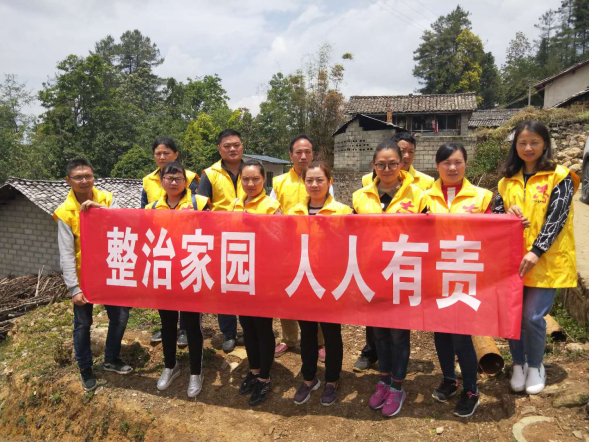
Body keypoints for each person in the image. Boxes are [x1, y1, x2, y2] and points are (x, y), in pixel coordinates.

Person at [494, 121, 579, 395]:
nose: (528, 148)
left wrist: (537, 250)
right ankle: (518, 364)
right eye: (522, 142)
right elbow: (495, 217)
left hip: (546, 261)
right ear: (515, 146)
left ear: (545, 144)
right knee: (514, 316)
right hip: (512, 261)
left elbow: (557, 218)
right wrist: (507, 215)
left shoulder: (560, 177)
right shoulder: (506, 181)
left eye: (534, 142)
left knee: (532, 316)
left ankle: (535, 365)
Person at [353, 139, 428, 417]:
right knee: (379, 333)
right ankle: (383, 380)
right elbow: (350, 233)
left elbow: (429, 233)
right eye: (381, 164)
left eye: (392, 164)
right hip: (372, 274)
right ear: (374, 166)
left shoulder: (419, 195)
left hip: (403, 273)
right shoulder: (360, 196)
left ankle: (398, 386)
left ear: (401, 165)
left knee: (398, 334)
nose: (387, 169)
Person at [53, 158, 132, 392]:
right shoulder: (65, 213)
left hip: (110, 272)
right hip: (83, 278)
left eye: (88, 176)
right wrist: (73, 288)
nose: (84, 181)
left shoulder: (106, 199)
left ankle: (111, 358)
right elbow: (66, 253)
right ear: (68, 180)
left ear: (93, 177)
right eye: (78, 177)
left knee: (120, 317)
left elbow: (125, 221)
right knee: (83, 324)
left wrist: (101, 211)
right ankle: (85, 368)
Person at [426, 143, 493, 418]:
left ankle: (471, 390)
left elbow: (494, 232)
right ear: (437, 166)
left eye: (457, 162)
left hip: (466, 274)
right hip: (434, 273)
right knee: (440, 331)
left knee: (462, 334)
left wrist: (513, 218)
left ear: (466, 163)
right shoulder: (423, 197)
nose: (452, 168)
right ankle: (449, 379)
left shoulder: (483, 197)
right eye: (446, 163)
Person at [289, 162, 352, 407]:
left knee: (331, 333)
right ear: (303, 183)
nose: (314, 185)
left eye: (320, 180)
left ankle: (332, 380)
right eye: (309, 180)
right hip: (303, 280)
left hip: (331, 283)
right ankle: (309, 378)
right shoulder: (294, 212)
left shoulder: (343, 211)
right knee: (307, 333)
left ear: (329, 182)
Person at [149, 161, 210, 398]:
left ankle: (196, 372)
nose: (173, 182)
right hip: (164, 272)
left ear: (186, 182)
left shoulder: (199, 203)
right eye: (169, 178)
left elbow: (214, 231)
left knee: (192, 325)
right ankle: (170, 365)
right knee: (167, 324)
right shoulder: (153, 207)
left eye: (178, 179)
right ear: (161, 181)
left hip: (191, 270)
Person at [271, 135, 329, 362]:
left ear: (313, 154)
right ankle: (289, 338)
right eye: (298, 152)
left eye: (307, 151)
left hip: (316, 249)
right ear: (290, 155)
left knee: (317, 293)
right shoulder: (279, 182)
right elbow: (271, 212)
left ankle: (320, 341)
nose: (303, 156)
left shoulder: (321, 179)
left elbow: (330, 210)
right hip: (286, 248)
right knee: (287, 293)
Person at [231, 160, 281, 406]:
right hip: (240, 272)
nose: (250, 184)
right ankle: (253, 369)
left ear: (264, 180)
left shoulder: (272, 206)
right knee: (247, 326)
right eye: (246, 179)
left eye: (255, 179)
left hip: (263, 276)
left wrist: (257, 225)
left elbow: (281, 238)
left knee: (262, 327)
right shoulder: (235, 204)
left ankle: (264, 377)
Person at [142, 137, 200, 348]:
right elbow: (142, 214)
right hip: (161, 244)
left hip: (187, 244)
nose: (162, 157)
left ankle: (185, 329)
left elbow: (200, 210)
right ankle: (168, 327)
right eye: (158, 153)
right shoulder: (147, 180)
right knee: (165, 288)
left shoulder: (191, 178)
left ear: (176, 155)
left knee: (187, 286)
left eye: (166, 153)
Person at [198, 129, 245, 352]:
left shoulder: (251, 170)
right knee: (224, 287)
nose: (232, 149)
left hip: (248, 238)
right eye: (227, 146)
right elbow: (202, 208)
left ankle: (248, 328)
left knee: (247, 285)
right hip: (221, 240)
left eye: (236, 145)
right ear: (219, 149)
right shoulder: (210, 174)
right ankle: (228, 332)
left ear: (242, 146)